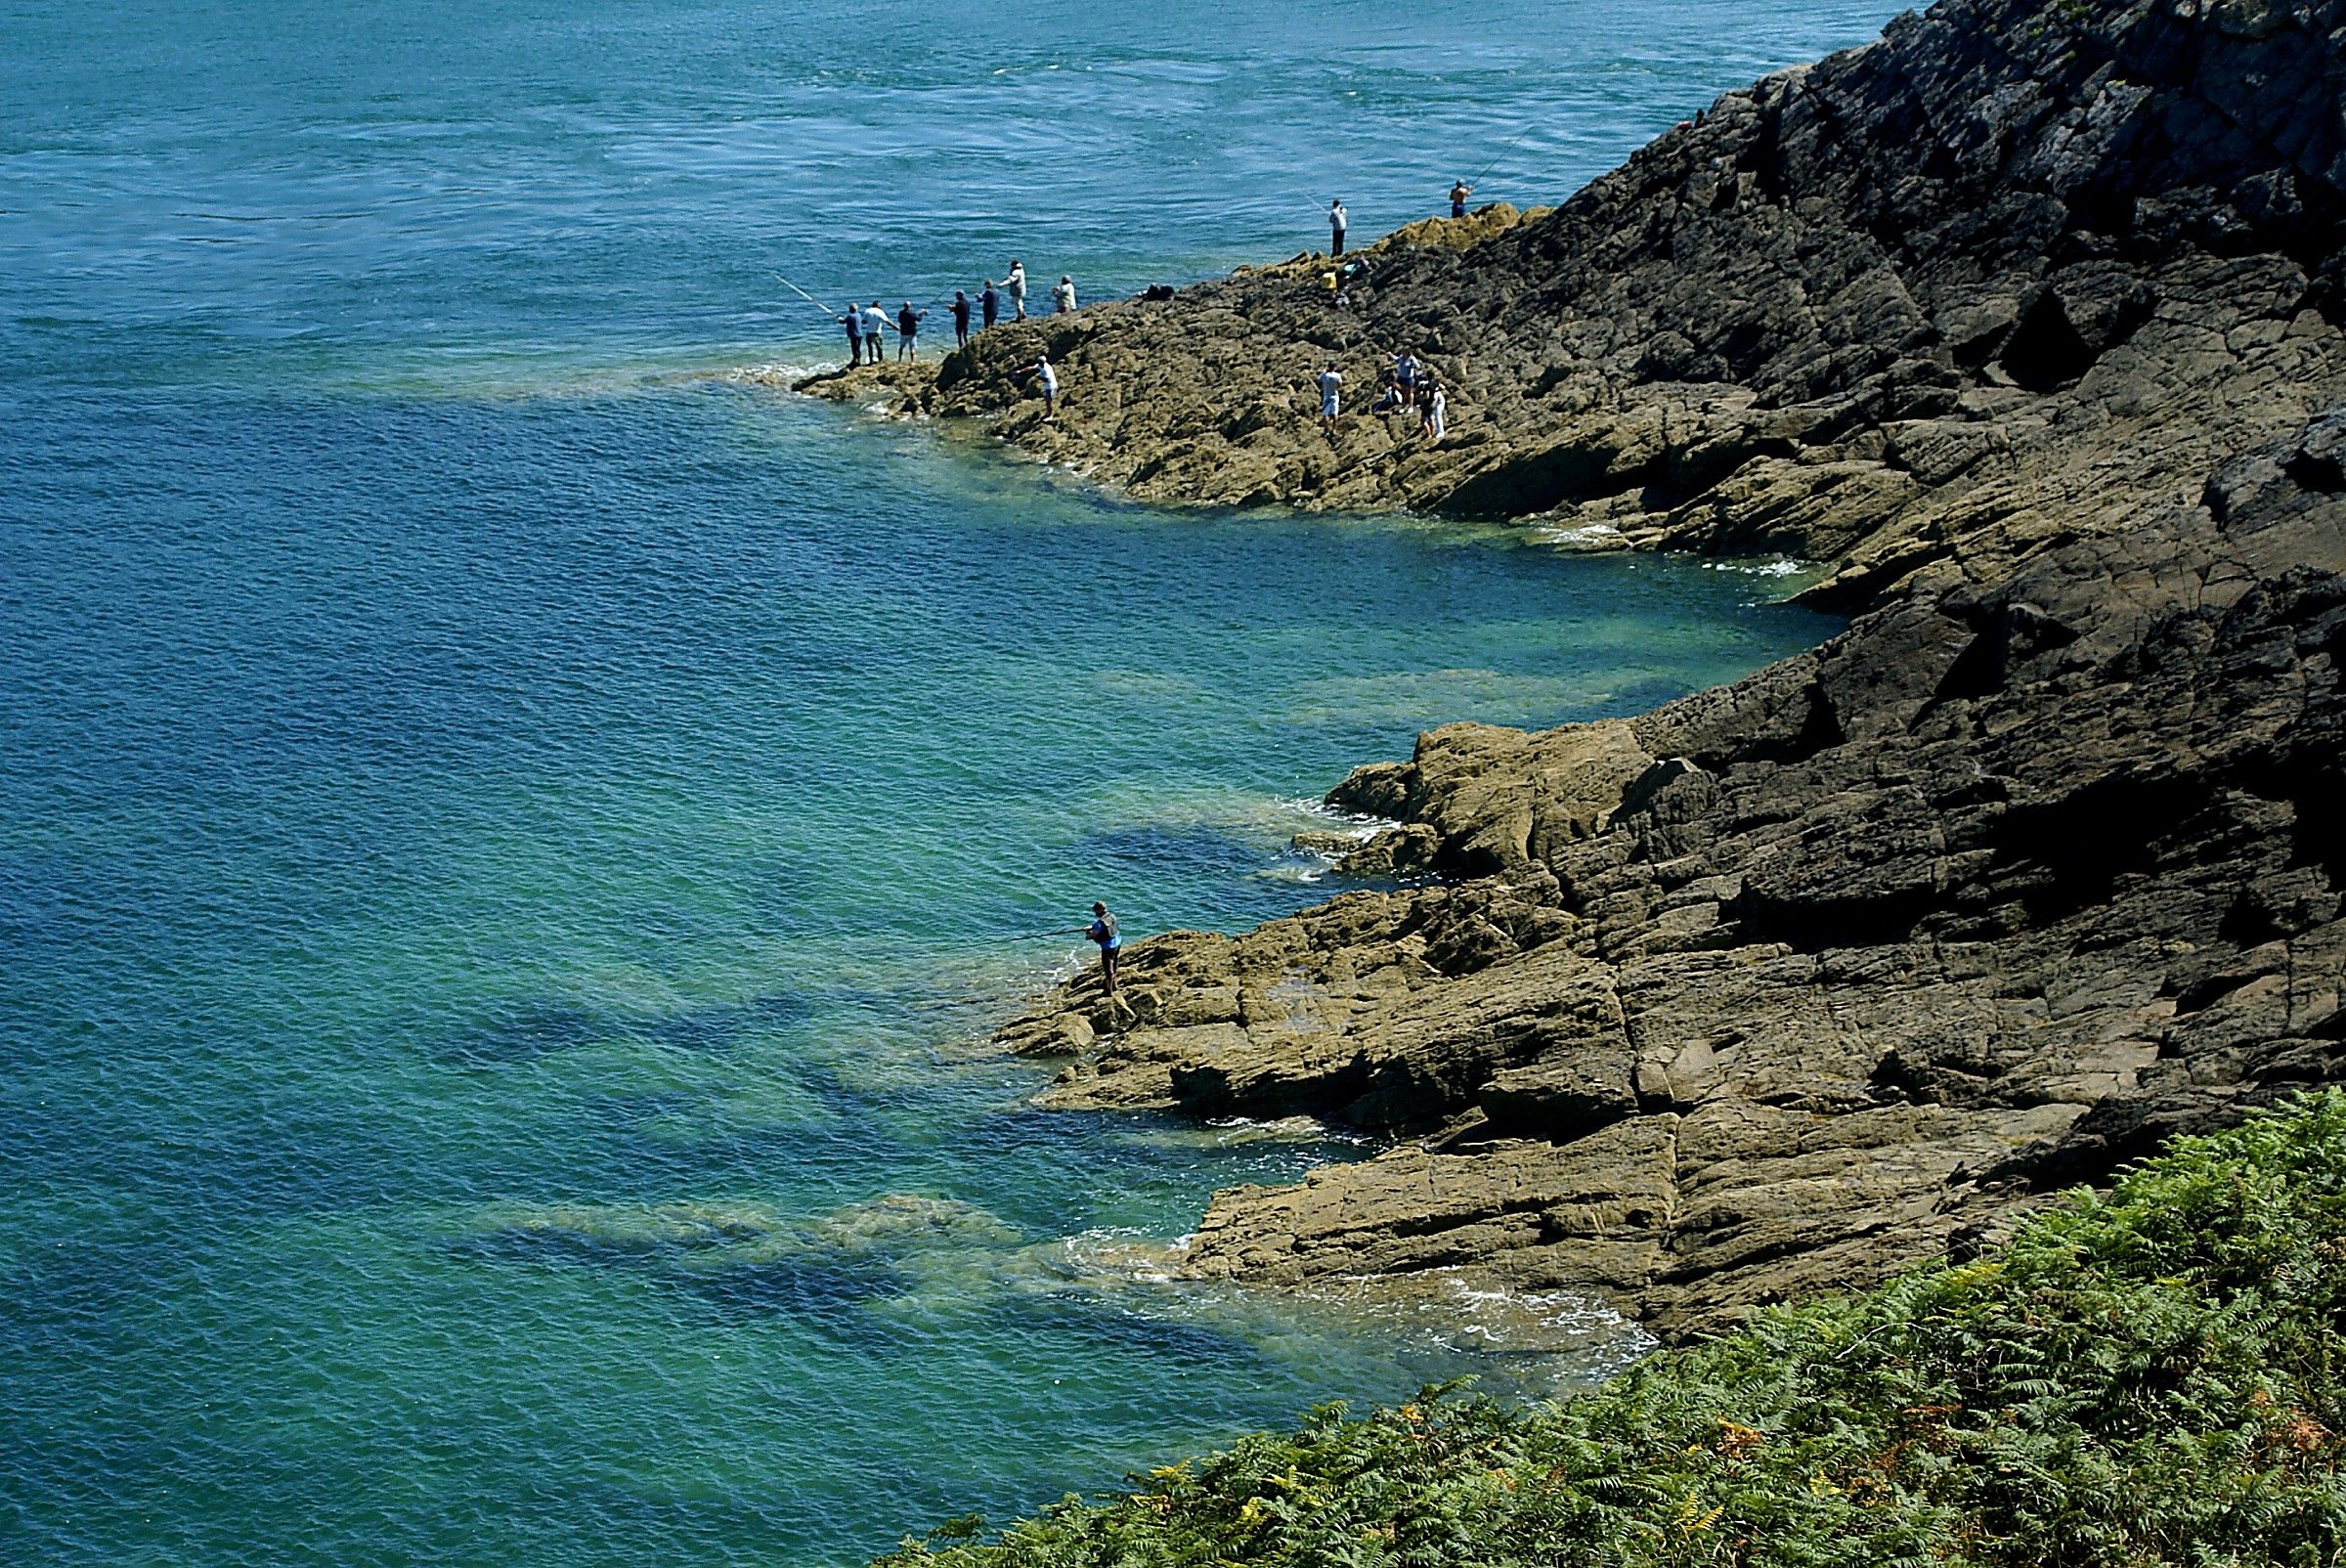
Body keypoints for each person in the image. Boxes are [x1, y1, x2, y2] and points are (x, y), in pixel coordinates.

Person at [1084, 901, 1121, 995]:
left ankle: (1108, 991)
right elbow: (1106, 926)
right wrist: (1092, 927)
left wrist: (1087, 932)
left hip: (1107, 947)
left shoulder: (1099, 923)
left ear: (1100, 910)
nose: (1095, 912)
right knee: (1114, 965)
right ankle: (1114, 985)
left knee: (1108, 970)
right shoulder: (1112, 916)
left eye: (1095, 910)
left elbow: (1093, 935)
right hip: (1117, 943)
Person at [1316, 364, 1342, 433]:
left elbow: (1318, 380)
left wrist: (1323, 372)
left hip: (1326, 396)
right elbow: (1340, 385)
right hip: (1335, 395)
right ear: (1334, 367)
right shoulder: (1338, 375)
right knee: (1335, 413)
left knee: (1325, 413)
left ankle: (1326, 429)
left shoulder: (1325, 375)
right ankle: (1334, 430)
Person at [1034, 353, 1058, 420]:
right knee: (1047, 401)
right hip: (1048, 387)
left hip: (1051, 387)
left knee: (1048, 402)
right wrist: (1020, 371)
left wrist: (1039, 377)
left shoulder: (1047, 369)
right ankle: (1048, 413)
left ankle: (1050, 416)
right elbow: (1032, 367)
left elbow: (1047, 379)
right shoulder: (1041, 365)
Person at [839, 302, 863, 366]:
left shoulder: (850, 316)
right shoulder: (858, 315)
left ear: (850, 309)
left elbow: (842, 321)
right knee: (857, 348)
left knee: (855, 349)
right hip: (859, 335)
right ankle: (856, 360)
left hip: (854, 335)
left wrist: (839, 319)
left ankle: (857, 362)